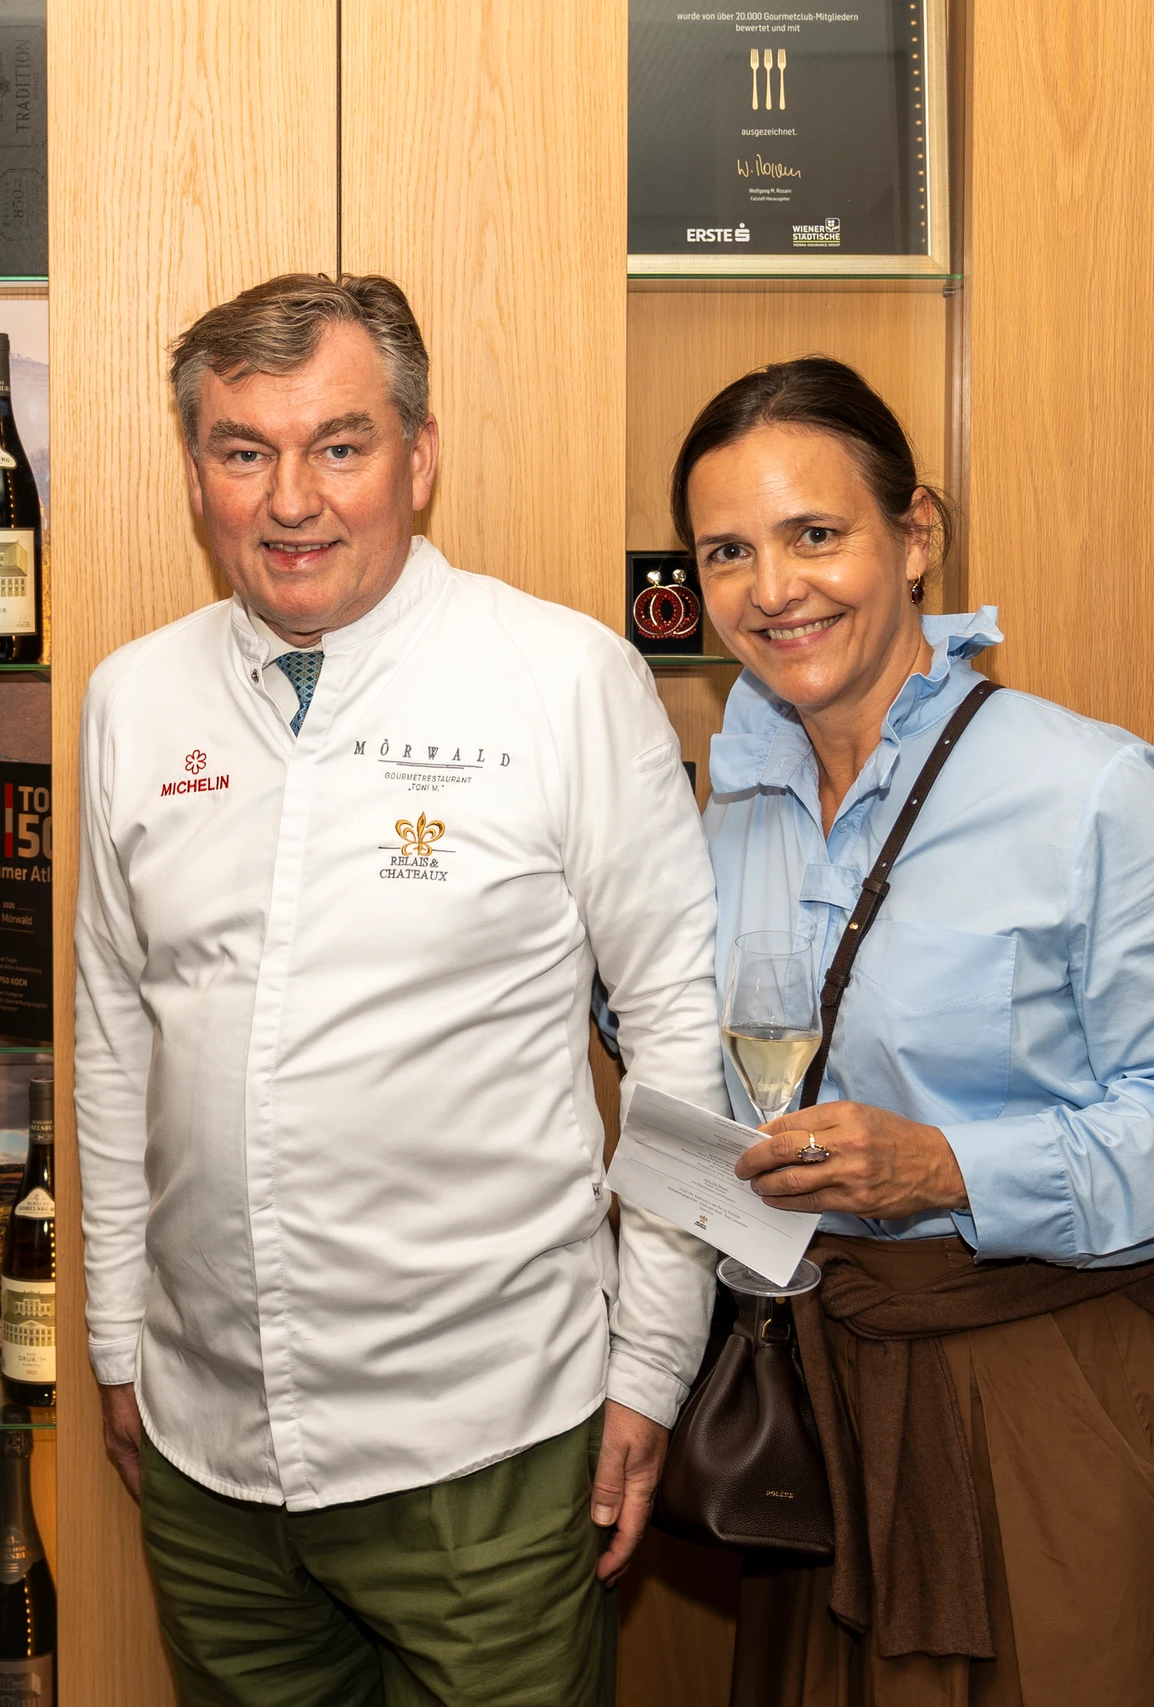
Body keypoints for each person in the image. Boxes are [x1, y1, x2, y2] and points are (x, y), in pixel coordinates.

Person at [73, 272, 727, 1706]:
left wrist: (653, 1364)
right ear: (196, 472)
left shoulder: (567, 680)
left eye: (340, 445)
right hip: (210, 1458)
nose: (290, 500)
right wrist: (116, 1338)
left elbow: (685, 1036)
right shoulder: (134, 699)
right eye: (244, 450)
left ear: (419, 459)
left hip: (492, 1451)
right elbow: (117, 1039)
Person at [682, 356, 1154, 1706]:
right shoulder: (729, 807)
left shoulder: (1086, 791)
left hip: (1048, 1392)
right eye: (728, 551)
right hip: (818, 1412)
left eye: (815, 533)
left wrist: (952, 1168)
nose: (772, 588)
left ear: (915, 534)